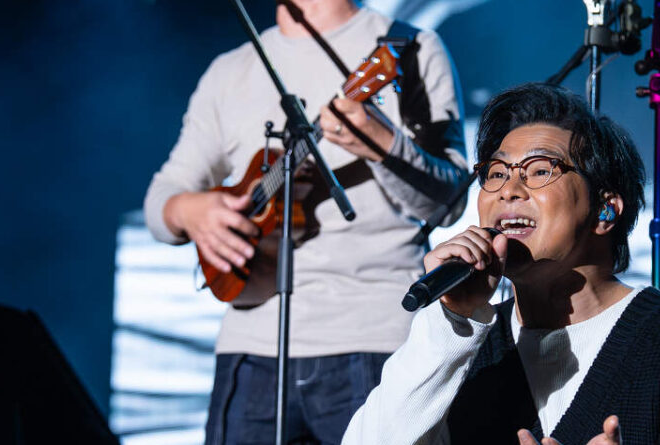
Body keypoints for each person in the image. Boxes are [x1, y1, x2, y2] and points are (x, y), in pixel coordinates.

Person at [342, 83, 660, 445]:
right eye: (496, 173)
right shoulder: (459, 347)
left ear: (605, 211)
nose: (508, 190)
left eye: (540, 170)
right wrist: (451, 321)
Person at [143, 1, 468, 443]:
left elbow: (449, 203)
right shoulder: (230, 70)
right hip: (250, 346)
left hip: (375, 342)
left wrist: (382, 143)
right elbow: (162, 200)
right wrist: (190, 212)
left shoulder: (408, 47)